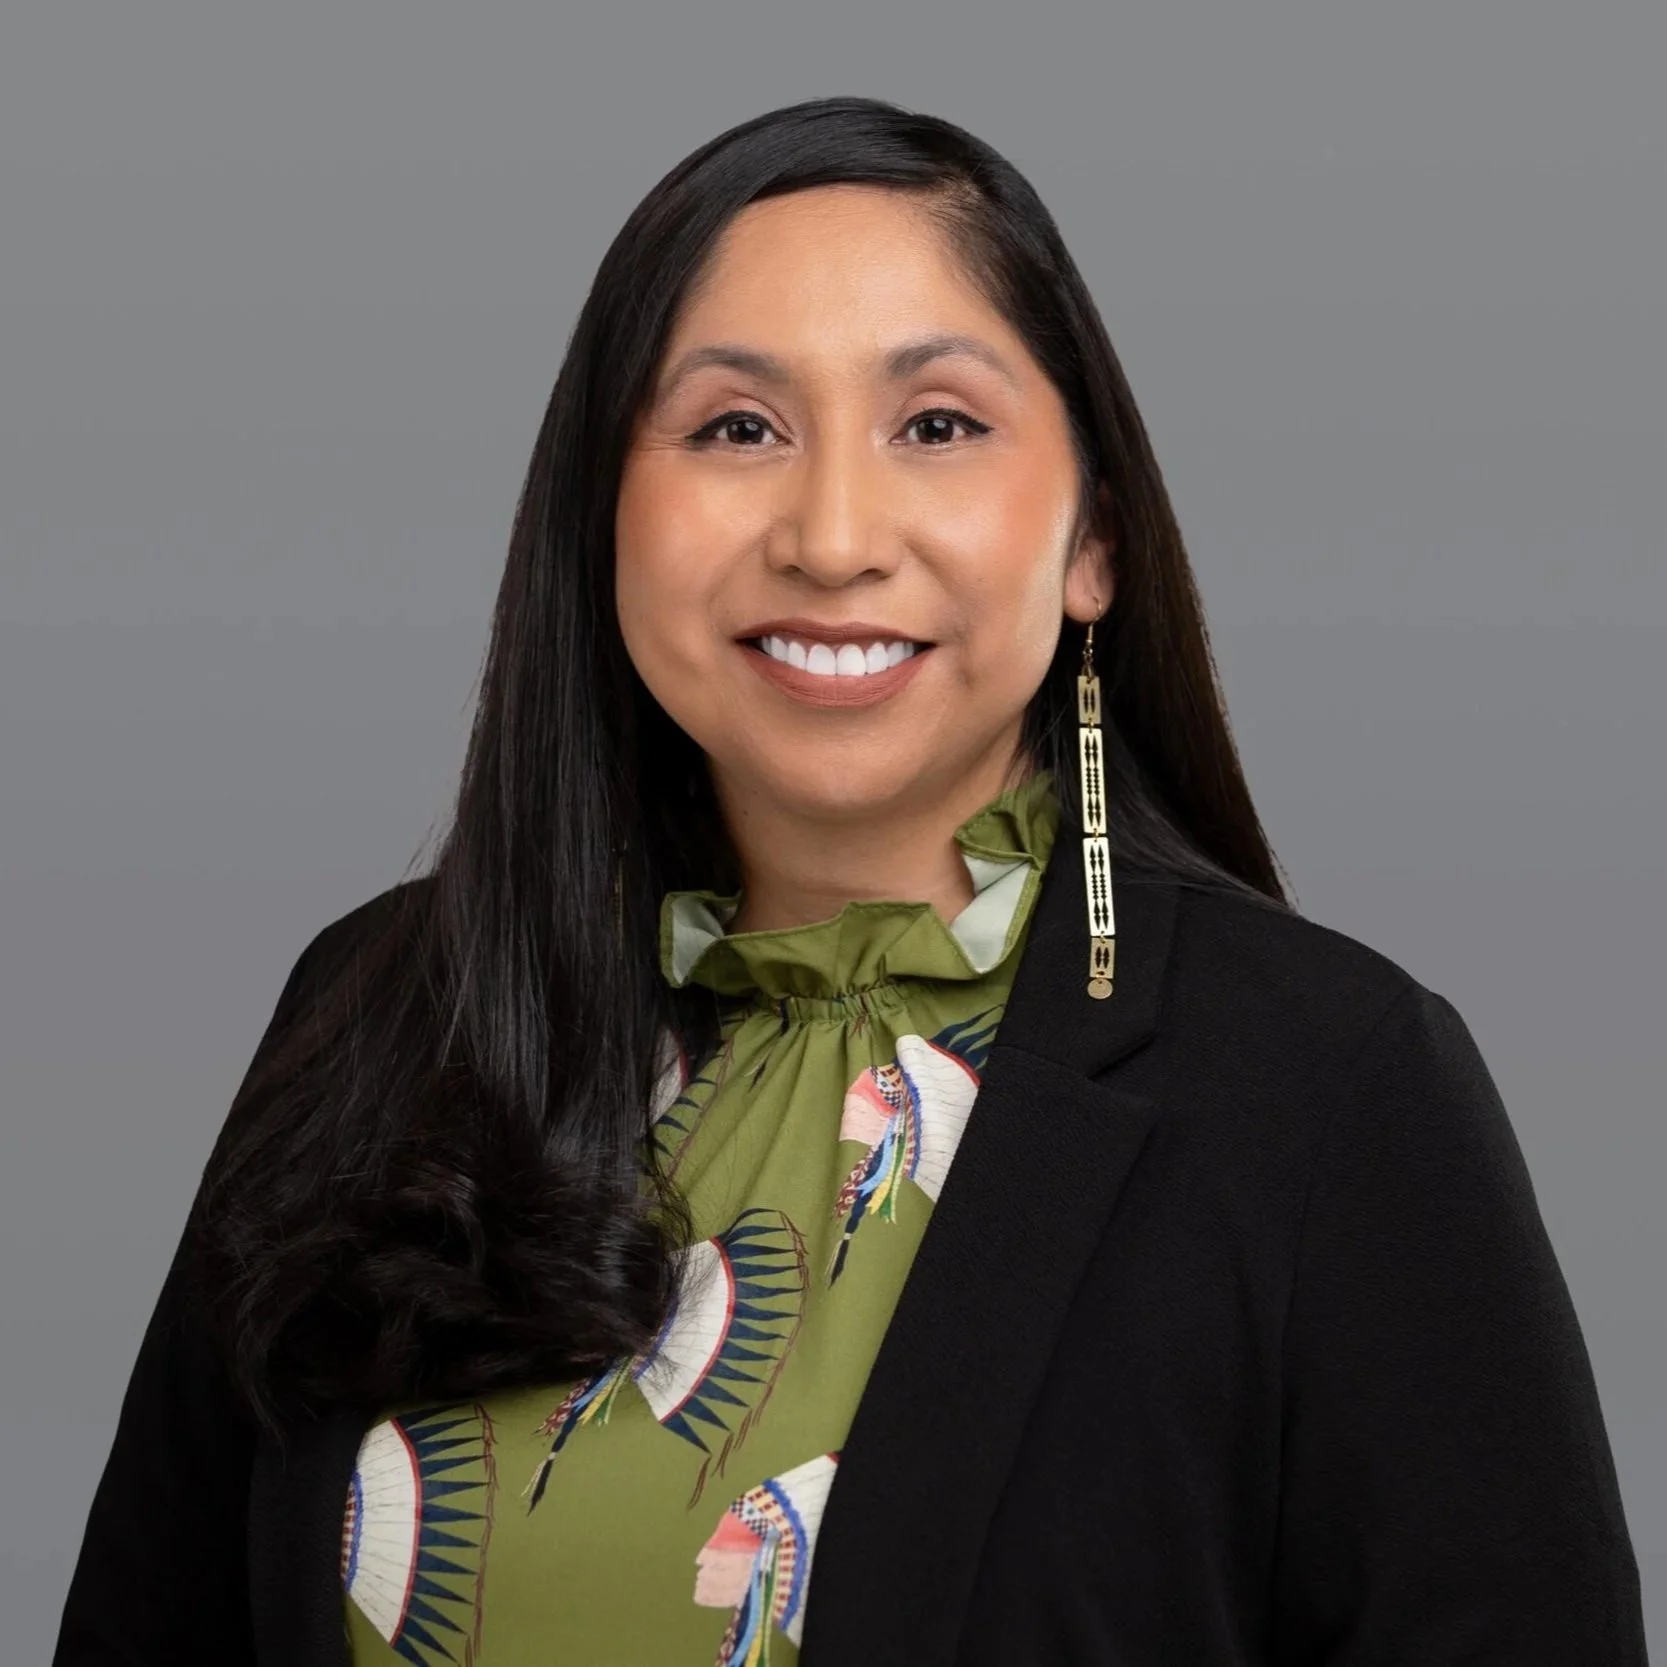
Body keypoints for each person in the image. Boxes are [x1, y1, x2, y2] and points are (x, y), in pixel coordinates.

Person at [53, 95, 1645, 1667]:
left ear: (1093, 536)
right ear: (605, 513)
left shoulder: (1332, 1087)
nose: (828, 534)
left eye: (936, 426)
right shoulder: (381, 1011)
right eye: (735, 427)